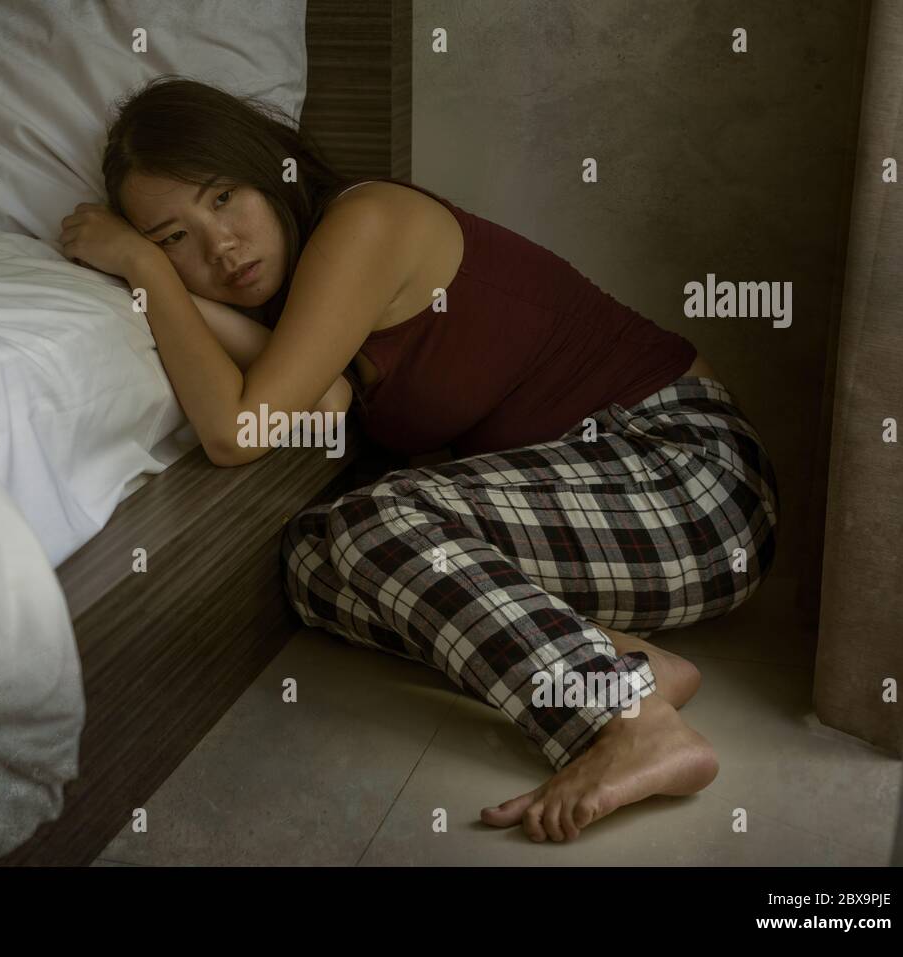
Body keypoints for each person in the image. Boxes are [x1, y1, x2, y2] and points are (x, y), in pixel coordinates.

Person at [60, 75, 780, 844]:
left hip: (689, 481)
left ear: (272, 170)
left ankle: (629, 722)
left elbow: (240, 432)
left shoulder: (367, 221)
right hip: (618, 518)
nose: (220, 246)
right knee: (311, 560)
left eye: (224, 197)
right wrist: (169, 281)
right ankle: (613, 662)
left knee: (376, 519)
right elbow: (323, 403)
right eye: (175, 238)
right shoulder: (300, 292)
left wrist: (142, 267)